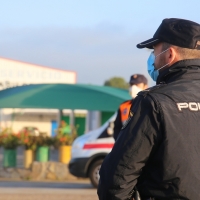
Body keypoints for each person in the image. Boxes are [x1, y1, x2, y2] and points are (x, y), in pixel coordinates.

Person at [98, 18, 200, 200]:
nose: (152, 57)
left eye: (155, 50)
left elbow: (116, 181)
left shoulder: (154, 102)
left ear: (170, 54)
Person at [113, 74, 148, 140]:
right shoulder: (123, 106)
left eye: (137, 85)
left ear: (145, 86)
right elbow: (117, 128)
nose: (133, 87)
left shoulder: (151, 105)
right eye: (132, 85)